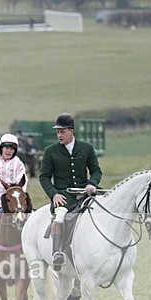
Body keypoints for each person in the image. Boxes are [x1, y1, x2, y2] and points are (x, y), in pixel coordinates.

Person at [38, 113, 103, 271]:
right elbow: (44, 177)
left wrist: (92, 183)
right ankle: (57, 252)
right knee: (60, 216)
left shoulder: (86, 148)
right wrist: (54, 194)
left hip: (86, 192)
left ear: (71, 131)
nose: (59, 135)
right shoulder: (50, 151)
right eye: (58, 132)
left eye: (63, 131)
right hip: (63, 196)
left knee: (107, 206)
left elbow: (96, 171)